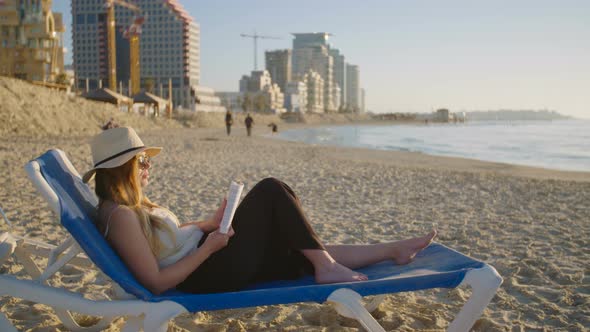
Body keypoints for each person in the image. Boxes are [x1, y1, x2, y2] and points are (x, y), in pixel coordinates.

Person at [83, 126, 437, 295]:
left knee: (299, 250)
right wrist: (209, 246)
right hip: (205, 275)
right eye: (143, 161)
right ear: (124, 167)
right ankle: (326, 267)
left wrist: (207, 223)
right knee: (270, 189)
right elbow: (155, 282)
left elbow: (162, 243)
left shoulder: (131, 208)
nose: (149, 167)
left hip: (207, 257)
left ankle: (390, 250)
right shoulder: (121, 217)